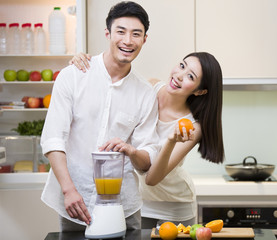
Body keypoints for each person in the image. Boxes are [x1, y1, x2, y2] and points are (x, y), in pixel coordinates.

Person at [40, 1, 160, 232]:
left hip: (124, 207)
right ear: (108, 33)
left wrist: (132, 151)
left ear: (144, 39)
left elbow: (147, 158)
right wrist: (68, 190)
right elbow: (53, 138)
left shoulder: (145, 93)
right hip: (76, 202)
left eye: (136, 34)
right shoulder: (73, 76)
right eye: (121, 32)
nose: (128, 41)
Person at [71, 51, 225, 228]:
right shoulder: (150, 87)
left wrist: (170, 141)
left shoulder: (193, 127)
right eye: (182, 66)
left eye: (190, 76)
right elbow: (110, 91)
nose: (179, 76)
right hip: (139, 200)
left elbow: (152, 178)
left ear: (200, 91)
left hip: (175, 204)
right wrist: (84, 66)